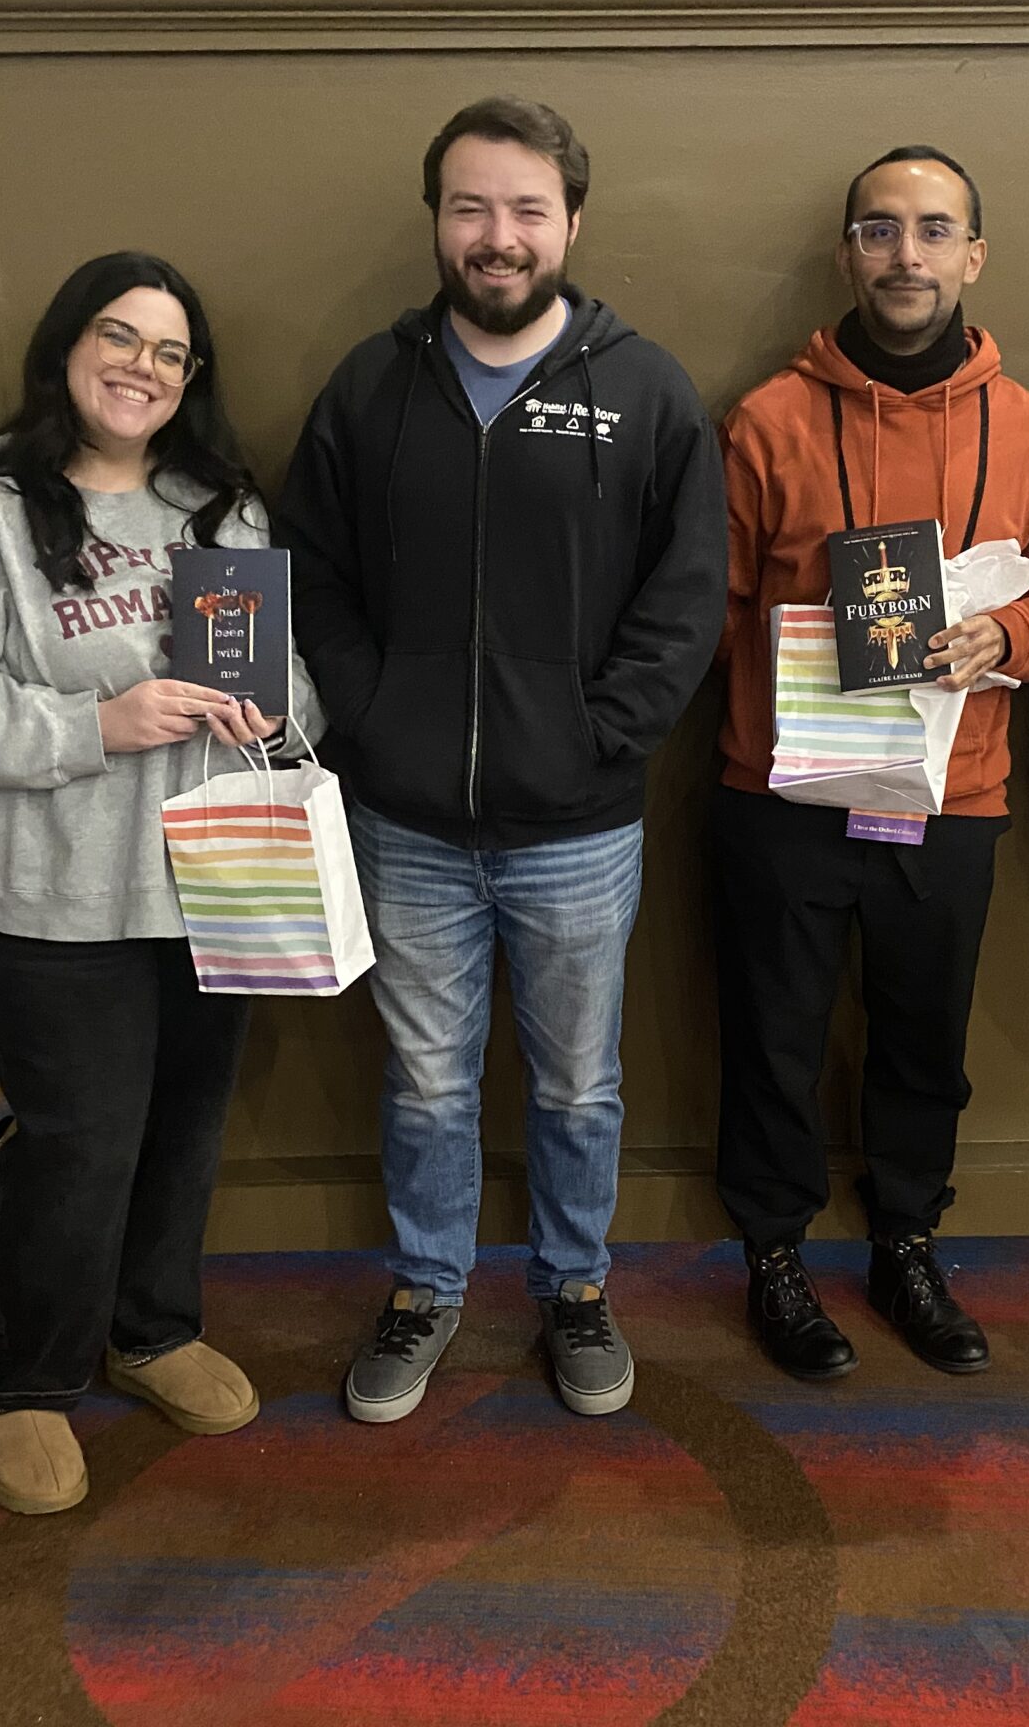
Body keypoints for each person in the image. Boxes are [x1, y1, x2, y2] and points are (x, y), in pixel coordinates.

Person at [274, 96, 724, 1425]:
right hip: (405, 821)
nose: (498, 235)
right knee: (426, 1084)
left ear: (571, 222)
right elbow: (312, 573)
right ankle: (427, 1288)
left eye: (528, 208)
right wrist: (371, 717)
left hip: (578, 827)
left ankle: (575, 1286)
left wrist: (595, 737)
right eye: (471, 206)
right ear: (437, 220)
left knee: (579, 1085)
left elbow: (686, 596)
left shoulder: (644, 390)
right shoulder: (370, 387)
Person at [0, 252, 320, 1515]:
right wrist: (96, 725)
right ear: (67, 346)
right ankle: (25, 1381)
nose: (142, 368)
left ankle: (151, 1328)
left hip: (215, 873)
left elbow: (291, 678)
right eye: (119, 337)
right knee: (78, 1140)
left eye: (171, 352)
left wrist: (274, 711)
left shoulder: (219, 507)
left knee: (186, 1120)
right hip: (51, 888)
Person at [713, 146, 1029, 1381]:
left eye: (933, 231)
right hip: (783, 790)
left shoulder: (1028, 429)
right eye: (879, 230)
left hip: (952, 796)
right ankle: (774, 1253)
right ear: (848, 253)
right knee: (773, 1036)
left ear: (972, 255)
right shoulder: (766, 419)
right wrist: (787, 666)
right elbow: (713, 605)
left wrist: (1006, 637)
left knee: (923, 1038)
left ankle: (906, 1242)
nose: (906, 255)